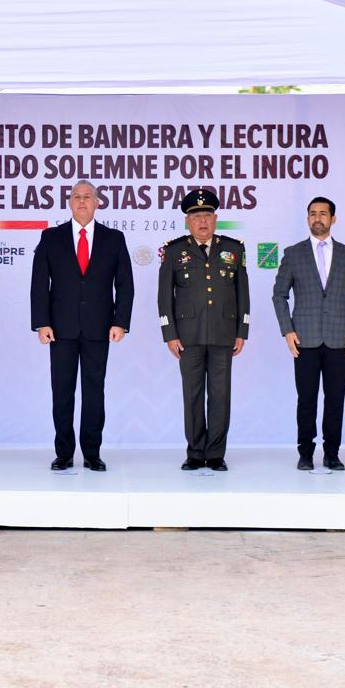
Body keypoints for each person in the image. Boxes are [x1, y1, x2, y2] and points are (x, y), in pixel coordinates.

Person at [30, 180, 134, 471]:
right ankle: (63, 453)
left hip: (100, 328)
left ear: (98, 202)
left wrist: (120, 322)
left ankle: (91, 453)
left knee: (93, 392)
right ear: (70, 202)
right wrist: (42, 323)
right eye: (77, 197)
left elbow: (125, 284)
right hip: (60, 330)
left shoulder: (114, 238)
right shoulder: (51, 237)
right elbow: (39, 284)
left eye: (88, 197)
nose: (82, 201)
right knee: (62, 391)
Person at [271, 196, 345, 471]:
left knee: (335, 398)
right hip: (304, 338)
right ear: (307, 218)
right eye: (313, 213)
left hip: (339, 338)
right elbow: (279, 294)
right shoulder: (293, 253)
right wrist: (287, 330)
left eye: (323, 214)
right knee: (307, 399)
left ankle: (332, 453)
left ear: (333, 219)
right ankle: (305, 452)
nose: (318, 218)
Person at [157, 189, 250, 472]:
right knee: (193, 395)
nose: (202, 222)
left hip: (224, 333)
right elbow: (164, 296)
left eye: (207, 216)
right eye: (196, 216)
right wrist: (169, 334)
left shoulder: (234, 249)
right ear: (188, 221)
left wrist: (242, 330)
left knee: (221, 396)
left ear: (216, 218)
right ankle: (196, 452)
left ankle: (216, 453)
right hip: (188, 337)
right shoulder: (174, 251)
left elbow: (242, 292)